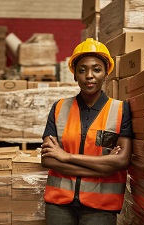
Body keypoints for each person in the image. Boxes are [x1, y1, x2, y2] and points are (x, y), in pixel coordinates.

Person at [41, 38, 133, 225]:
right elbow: (48, 159)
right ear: (75, 75)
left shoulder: (121, 110)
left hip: (100, 207)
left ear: (106, 74)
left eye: (96, 69)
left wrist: (67, 157)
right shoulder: (59, 108)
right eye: (82, 70)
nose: (89, 75)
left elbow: (122, 161)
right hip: (59, 205)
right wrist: (104, 167)